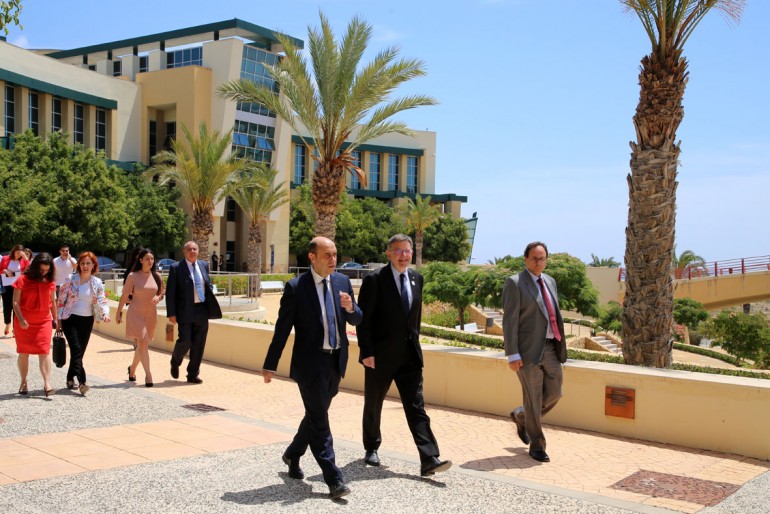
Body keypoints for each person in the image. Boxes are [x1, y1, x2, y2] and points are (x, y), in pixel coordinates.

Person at [262, 236, 362, 500]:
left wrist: (352, 307)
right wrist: (270, 364)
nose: (333, 260)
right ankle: (334, 478)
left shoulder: (341, 282)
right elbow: (282, 329)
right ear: (312, 257)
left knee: (316, 414)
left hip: (336, 361)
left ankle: (293, 454)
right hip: (310, 364)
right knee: (320, 420)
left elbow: (357, 318)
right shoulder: (296, 287)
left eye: (335, 254)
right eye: (327, 255)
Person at [356, 234, 451, 477]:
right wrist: (366, 352)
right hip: (380, 356)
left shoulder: (417, 278)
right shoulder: (374, 280)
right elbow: (363, 321)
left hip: (409, 356)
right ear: (388, 254)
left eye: (407, 251)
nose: (403, 255)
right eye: (398, 251)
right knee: (374, 403)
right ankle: (371, 447)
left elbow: (414, 319)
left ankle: (429, 457)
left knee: (416, 406)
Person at [503, 242, 566, 463]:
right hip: (527, 352)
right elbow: (509, 320)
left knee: (556, 392)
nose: (539, 262)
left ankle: (521, 416)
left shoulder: (550, 281)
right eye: (534, 258)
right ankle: (537, 445)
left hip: (550, 347)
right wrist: (512, 354)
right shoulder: (515, 283)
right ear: (526, 259)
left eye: (542, 258)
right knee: (533, 398)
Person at [57, 252, 111, 395]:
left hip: (87, 320)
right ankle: (82, 382)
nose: (85, 266)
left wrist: (105, 314)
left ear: (93, 265)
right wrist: (59, 321)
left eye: (88, 263)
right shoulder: (70, 279)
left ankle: (69, 377)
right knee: (76, 350)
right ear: (78, 265)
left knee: (79, 353)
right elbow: (61, 301)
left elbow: (102, 300)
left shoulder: (96, 282)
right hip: (70, 319)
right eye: (82, 263)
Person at [167, 241, 217, 384]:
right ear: (184, 252)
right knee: (185, 341)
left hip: (201, 309)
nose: (192, 251)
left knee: (199, 343)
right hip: (184, 311)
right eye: (189, 249)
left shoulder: (203, 265)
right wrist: (172, 313)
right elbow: (170, 293)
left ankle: (192, 374)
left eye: (195, 249)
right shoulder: (176, 268)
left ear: (198, 251)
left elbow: (208, 283)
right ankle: (175, 361)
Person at [116, 248, 165, 387]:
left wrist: (158, 297)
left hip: (150, 314)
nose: (150, 261)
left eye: (152, 259)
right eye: (147, 259)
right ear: (140, 260)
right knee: (143, 342)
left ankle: (132, 369)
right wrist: (119, 312)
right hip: (136, 312)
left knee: (143, 344)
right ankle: (148, 376)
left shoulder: (156, 276)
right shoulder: (133, 276)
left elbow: (162, 292)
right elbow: (125, 295)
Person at [12, 252, 57, 397]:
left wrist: (56, 320)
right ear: (35, 266)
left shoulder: (50, 281)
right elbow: (15, 302)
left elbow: (53, 303)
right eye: (42, 269)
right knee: (24, 352)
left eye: (47, 270)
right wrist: (20, 318)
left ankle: (47, 384)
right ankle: (23, 382)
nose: (44, 272)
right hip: (24, 320)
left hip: (44, 321)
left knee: (44, 351)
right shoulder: (22, 280)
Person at [1, 244, 31, 336]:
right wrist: (5, 271)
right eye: (17, 252)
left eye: (20, 253)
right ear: (13, 251)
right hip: (7, 285)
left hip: (18, 286)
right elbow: (0, 269)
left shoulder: (23, 260)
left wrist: (25, 257)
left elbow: (28, 269)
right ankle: (7, 323)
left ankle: (15, 328)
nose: (18, 255)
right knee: (7, 306)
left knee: (16, 306)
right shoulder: (5, 258)